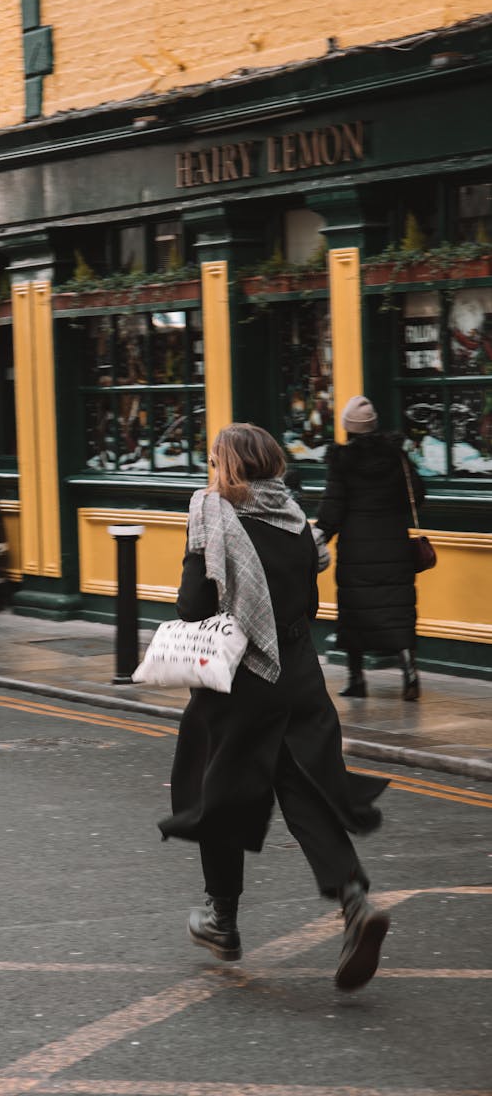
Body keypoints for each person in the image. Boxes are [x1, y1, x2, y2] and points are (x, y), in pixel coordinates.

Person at [158, 422, 390, 991]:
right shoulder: (294, 523)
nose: (210, 470)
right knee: (303, 788)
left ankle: (222, 920)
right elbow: (309, 602)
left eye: (215, 460)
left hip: (241, 678)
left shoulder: (214, 518)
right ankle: (354, 900)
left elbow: (192, 606)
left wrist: (199, 559)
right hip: (299, 675)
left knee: (219, 791)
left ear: (229, 466)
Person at [313, 396, 424, 702]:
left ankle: (357, 679)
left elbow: (332, 507)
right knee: (399, 610)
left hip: (357, 547)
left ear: (348, 428)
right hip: (394, 543)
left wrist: (319, 534)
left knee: (355, 611)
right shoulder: (396, 455)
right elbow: (417, 493)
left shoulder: (342, 461)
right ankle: (410, 673)